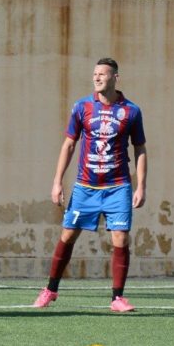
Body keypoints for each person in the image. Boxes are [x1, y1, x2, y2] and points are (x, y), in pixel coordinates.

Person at [33, 58, 146, 313]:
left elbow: (140, 149)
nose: (96, 78)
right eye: (94, 74)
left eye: (102, 74)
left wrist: (141, 186)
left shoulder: (131, 111)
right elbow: (69, 144)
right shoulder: (82, 107)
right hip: (86, 187)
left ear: (115, 77)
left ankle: (117, 298)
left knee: (120, 237)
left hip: (118, 187)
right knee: (68, 235)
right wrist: (57, 182)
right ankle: (50, 290)